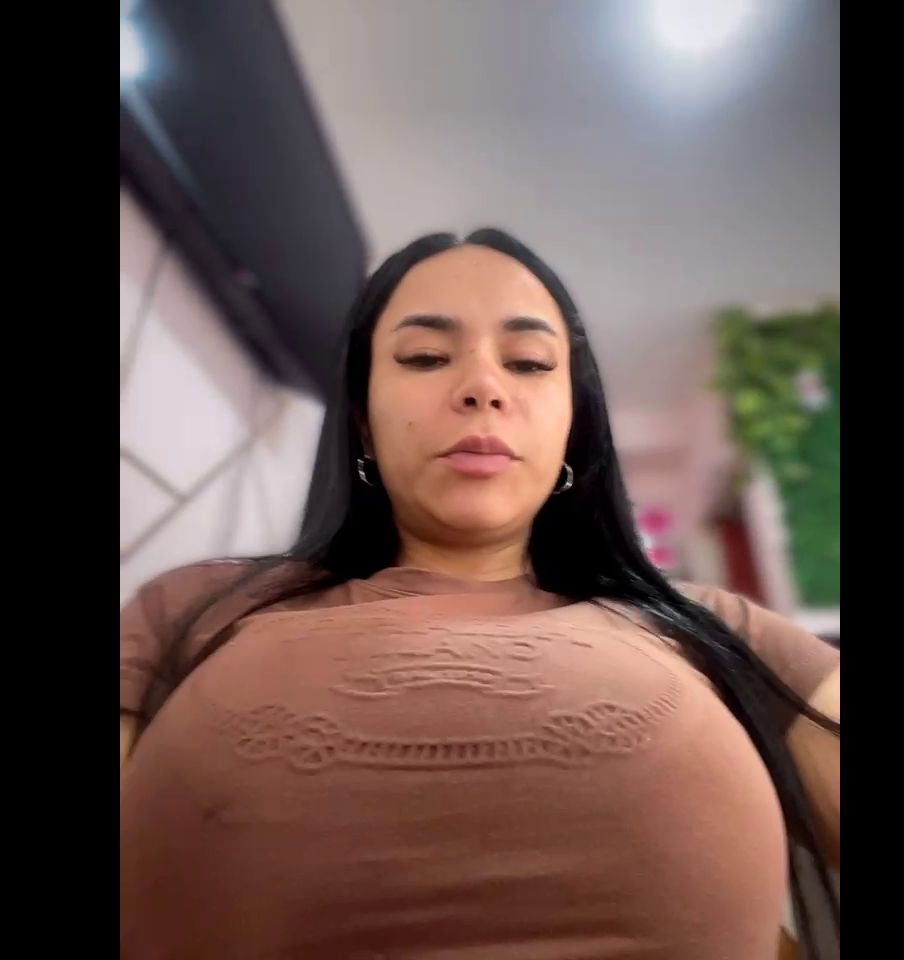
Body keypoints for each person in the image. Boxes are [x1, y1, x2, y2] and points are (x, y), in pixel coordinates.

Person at [120, 230, 840, 960]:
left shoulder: (713, 628)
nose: (483, 386)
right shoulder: (193, 608)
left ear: (573, 426)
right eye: (424, 357)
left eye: (528, 362)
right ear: (363, 421)